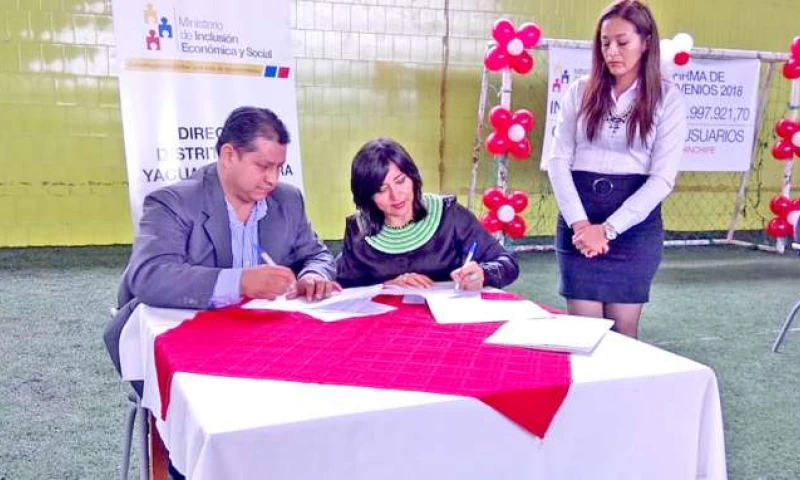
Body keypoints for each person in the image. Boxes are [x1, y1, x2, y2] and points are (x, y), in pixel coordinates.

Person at [104, 106, 339, 376]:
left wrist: (313, 276)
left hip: (263, 336)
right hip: (188, 338)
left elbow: (317, 255)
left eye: (279, 168)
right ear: (229, 155)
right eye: (263, 166)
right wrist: (240, 282)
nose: (273, 179)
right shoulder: (173, 202)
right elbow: (149, 276)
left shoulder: (289, 199)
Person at [547, 0, 686, 338]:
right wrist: (582, 226)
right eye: (605, 42)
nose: (612, 51)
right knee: (583, 331)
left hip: (633, 228)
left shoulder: (668, 98)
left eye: (622, 42)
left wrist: (608, 230)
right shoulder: (579, 90)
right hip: (578, 222)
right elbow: (557, 160)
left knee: (624, 332)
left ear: (646, 42)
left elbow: (662, 179)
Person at [336, 137, 519, 290]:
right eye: (381, 190)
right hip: (387, 319)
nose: (396, 195)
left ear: (413, 177)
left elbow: (507, 262)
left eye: (400, 181)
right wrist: (384, 287)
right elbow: (345, 287)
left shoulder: (450, 215)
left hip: (448, 318)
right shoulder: (358, 230)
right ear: (367, 196)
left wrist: (484, 273)